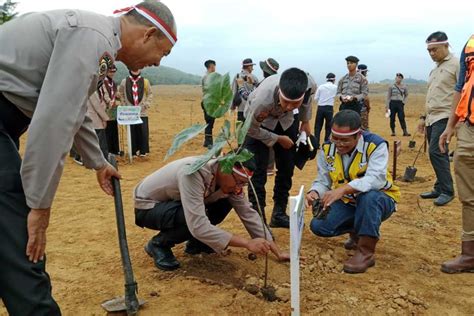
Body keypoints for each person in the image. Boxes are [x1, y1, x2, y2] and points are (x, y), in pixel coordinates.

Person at [0, 1, 177, 314]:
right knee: (20, 234)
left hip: (7, 122)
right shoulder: (92, 38)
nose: (157, 63)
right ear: (148, 34)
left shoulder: (99, 42)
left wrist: (99, 162)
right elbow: (54, 121)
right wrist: (39, 205)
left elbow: (75, 109)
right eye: (162, 54)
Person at [133, 156, 289, 271]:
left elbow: (248, 213)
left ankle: (197, 244)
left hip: (177, 203)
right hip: (149, 208)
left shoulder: (229, 179)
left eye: (244, 184)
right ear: (225, 169)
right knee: (191, 217)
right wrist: (247, 243)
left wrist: (277, 251)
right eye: (239, 182)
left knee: (226, 200)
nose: (239, 188)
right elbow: (198, 226)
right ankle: (158, 244)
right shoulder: (193, 173)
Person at [305, 110, 400, 273]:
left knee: (369, 197)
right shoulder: (327, 149)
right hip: (350, 202)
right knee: (319, 226)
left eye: (345, 140)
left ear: (358, 135)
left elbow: (375, 179)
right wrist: (315, 192)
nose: (339, 144)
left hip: (381, 199)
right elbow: (323, 180)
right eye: (335, 138)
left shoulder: (375, 145)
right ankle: (357, 232)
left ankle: (366, 252)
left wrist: (343, 189)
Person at [244, 68, 313, 228]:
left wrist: (305, 121)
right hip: (259, 125)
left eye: (294, 103)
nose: (289, 106)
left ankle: (279, 213)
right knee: (257, 171)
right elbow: (250, 129)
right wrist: (277, 139)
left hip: (286, 122)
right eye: (285, 101)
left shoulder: (309, 84)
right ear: (279, 92)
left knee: (287, 167)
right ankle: (259, 221)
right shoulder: (262, 100)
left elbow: (308, 101)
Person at [438, 34, 474, 273]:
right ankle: (470, 254)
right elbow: (461, 86)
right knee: (469, 195)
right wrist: (450, 125)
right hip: (470, 127)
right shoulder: (470, 44)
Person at [418, 31, 459, 206]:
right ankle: (439, 187)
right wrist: (422, 117)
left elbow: (463, 92)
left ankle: (448, 191)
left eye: (435, 49)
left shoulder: (457, 65)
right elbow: (431, 95)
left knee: (436, 151)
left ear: (446, 46)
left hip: (446, 116)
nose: (432, 54)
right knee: (437, 153)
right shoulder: (435, 69)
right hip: (432, 117)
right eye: (429, 51)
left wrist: (457, 121)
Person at [119, 69, 154, 156]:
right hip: (130, 112)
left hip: (142, 111)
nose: (135, 70)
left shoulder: (145, 81)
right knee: (132, 131)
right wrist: (124, 105)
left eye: (138, 68)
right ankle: (133, 151)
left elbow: (150, 94)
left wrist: (146, 105)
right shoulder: (124, 81)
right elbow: (121, 94)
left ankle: (143, 151)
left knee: (143, 131)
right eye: (133, 68)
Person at [101, 64, 121, 155]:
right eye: (110, 71)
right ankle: (108, 150)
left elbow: (116, 93)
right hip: (106, 108)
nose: (112, 73)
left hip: (113, 109)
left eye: (114, 71)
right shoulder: (102, 82)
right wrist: (110, 102)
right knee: (107, 130)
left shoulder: (114, 83)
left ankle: (115, 149)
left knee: (114, 128)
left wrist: (118, 96)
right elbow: (104, 94)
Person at [313, 72, 337, 148]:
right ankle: (326, 143)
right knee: (328, 126)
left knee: (318, 126)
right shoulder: (335, 87)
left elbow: (315, 98)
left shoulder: (321, 87)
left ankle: (316, 144)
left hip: (320, 107)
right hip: (329, 108)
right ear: (334, 79)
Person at [87, 91, 109, 158]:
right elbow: (97, 106)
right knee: (101, 143)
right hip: (95, 120)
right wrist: (104, 119)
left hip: (86, 120)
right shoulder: (91, 91)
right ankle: (104, 159)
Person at [201, 59, 216, 148]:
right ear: (211, 66)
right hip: (209, 102)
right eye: (214, 66)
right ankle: (209, 142)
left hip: (206, 101)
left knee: (209, 122)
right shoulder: (209, 77)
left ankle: (207, 141)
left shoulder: (205, 76)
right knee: (210, 122)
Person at [357, 64, 371, 130]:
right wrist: (368, 106)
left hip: (351, 108)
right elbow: (365, 97)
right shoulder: (364, 80)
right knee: (364, 129)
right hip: (361, 107)